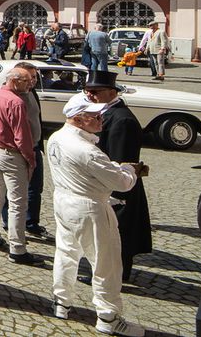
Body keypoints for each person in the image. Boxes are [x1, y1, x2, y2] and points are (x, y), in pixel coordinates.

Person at [48, 94, 145, 336]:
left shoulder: (56, 138)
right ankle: (108, 316)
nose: (101, 119)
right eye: (95, 116)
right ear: (78, 119)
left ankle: (61, 302)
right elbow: (122, 183)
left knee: (66, 253)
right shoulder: (86, 150)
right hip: (90, 207)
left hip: (65, 202)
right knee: (106, 263)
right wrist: (129, 169)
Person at [85, 72, 153, 282]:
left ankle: (115, 275)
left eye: (95, 92)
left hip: (119, 187)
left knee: (118, 233)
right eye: (88, 92)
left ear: (112, 92)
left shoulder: (122, 120)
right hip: (107, 184)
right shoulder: (106, 112)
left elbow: (121, 162)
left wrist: (113, 192)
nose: (91, 96)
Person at [0, 70, 43, 264]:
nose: (30, 85)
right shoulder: (16, 102)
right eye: (26, 81)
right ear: (15, 81)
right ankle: (17, 248)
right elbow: (21, 135)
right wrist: (30, 158)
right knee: (17, 202)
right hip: (10, 154)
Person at [1, 63, 48, 237]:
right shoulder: (12, 98)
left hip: (34, 147)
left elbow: (36, 120)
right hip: (19, 151)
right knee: (12, 191)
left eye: (34, 77)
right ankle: (9, 223)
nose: (32, 81)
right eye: (28, 78)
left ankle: (31, 222)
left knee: (36, 188)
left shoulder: (31, 92)